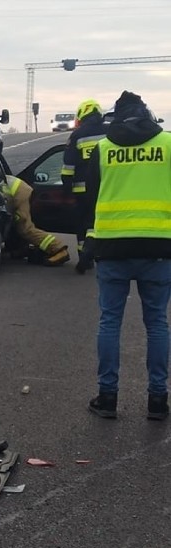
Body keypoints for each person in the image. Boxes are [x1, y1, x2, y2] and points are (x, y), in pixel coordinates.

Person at [83, 90, 171, 420]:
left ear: (115, 116)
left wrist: (88, 240)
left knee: (110, 322)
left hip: (112, 247)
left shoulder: (103, 149)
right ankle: (158, 401)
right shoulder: (168, 144)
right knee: (157, 324)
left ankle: (108, 398)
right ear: (147, 113)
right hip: (159, 247)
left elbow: (89, 198)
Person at [61, 98, 109, 274]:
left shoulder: (77, 135)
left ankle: (84, 256)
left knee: (83, 224)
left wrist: (66, 189)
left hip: (81, 190)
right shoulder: (110, 131)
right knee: (101, 222)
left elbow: (68, 167)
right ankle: (102, 254)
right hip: (107, 188)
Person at [4, 175, 70, 266]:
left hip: (19, 194)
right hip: (19, 190)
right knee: (16, 224)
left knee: (25, 228)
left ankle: (58, 248)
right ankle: (20, 249)